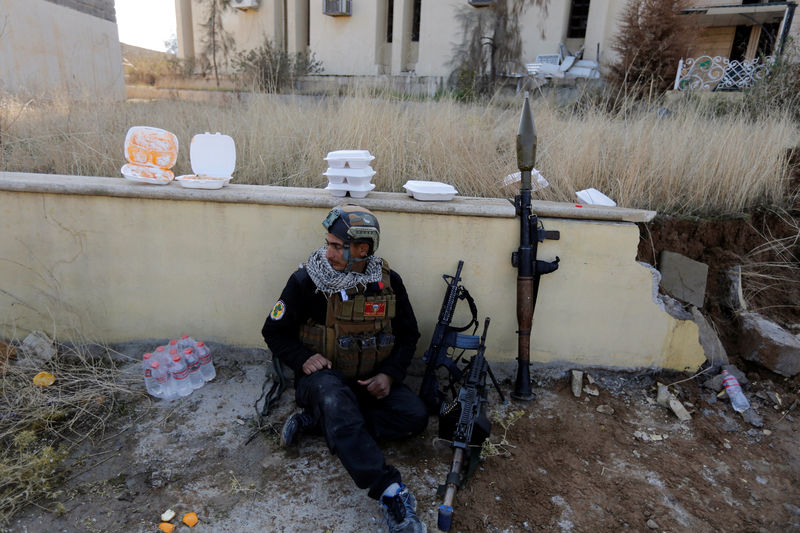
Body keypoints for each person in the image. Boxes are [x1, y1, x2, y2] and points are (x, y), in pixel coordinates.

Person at [262, 204, 428, 533]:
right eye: (328, 244)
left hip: (369, 385)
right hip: (324, 385)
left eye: (337, 247)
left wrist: (390, 375)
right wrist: (301, 358)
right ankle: (390, 491)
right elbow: (273, 331)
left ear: (362, 249)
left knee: (415, 415)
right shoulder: (307, 280)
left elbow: (409, 335)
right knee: (335, 401)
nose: (328, 253)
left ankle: (320, 424)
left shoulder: (388, 282)